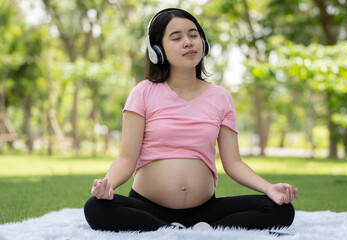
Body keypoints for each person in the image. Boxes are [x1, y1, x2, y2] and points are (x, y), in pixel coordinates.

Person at [83, 8, 298, 232]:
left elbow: (233, 163)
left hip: (205, 209)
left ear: (203, 42)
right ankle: (172, 229)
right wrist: (107, 185)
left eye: (193, 35)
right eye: (176, 38)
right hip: (148, 207)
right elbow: (126, 159)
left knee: (281, 210)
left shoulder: (221, 97)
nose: (188, 42)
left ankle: (196, 229)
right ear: (157, 50)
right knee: (95, 208)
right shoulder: (143, 92)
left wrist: (269, 188)